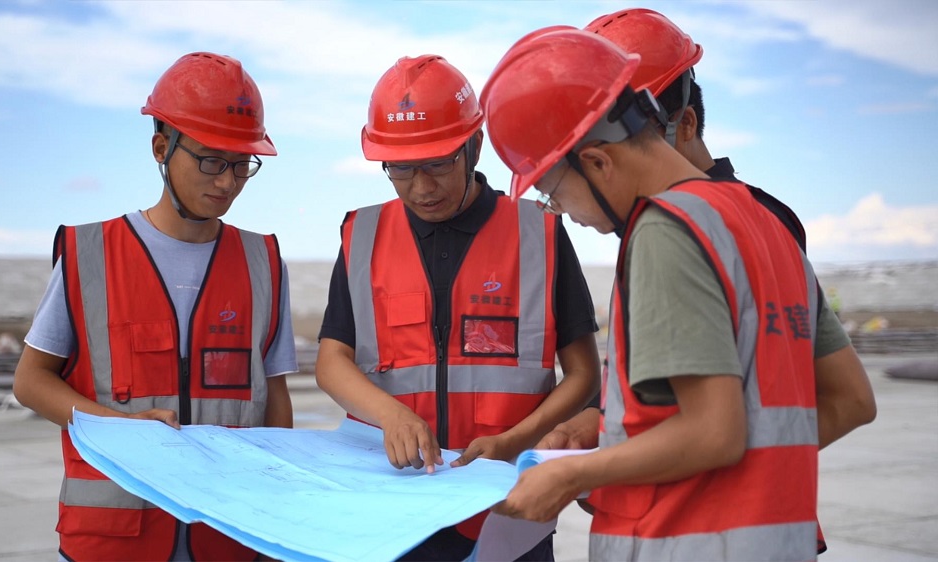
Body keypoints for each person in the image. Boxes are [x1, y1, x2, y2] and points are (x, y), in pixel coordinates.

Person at [480, 28, 876, 561]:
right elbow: (851, 401)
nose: (564, 214)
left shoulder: (664, 231)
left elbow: (713, 433)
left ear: (597, 163)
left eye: (553, 194)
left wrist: (575, 474)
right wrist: (613, 435)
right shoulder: (762, 220)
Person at [540, 9, 876, 467]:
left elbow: (726, 424)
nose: (617, 157)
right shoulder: (725, 221)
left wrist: (595, 473)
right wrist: (602, 422)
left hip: (702, 509)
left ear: (685, 124)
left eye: (633, 133)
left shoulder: (687, 230)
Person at [314, 54, 601, 561]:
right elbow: (331, 361)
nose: (422, 188)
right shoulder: (362, 235)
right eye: (401, 169)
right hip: (388, 511)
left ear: (474, 146)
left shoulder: (539, 232)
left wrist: (513, 441)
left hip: (508, 510)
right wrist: (391, 416)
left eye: (438, 164)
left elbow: (583, 374)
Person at [13, 52, 297, 562]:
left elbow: (274, 400)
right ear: (162, 148)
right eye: (211, 160)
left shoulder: (264, 262)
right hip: (114, 540)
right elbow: (31, 381)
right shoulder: (89, 255)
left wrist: (278, 513)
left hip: (231, 534)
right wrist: (117, 427)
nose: (227, 182)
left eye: (241, 164)